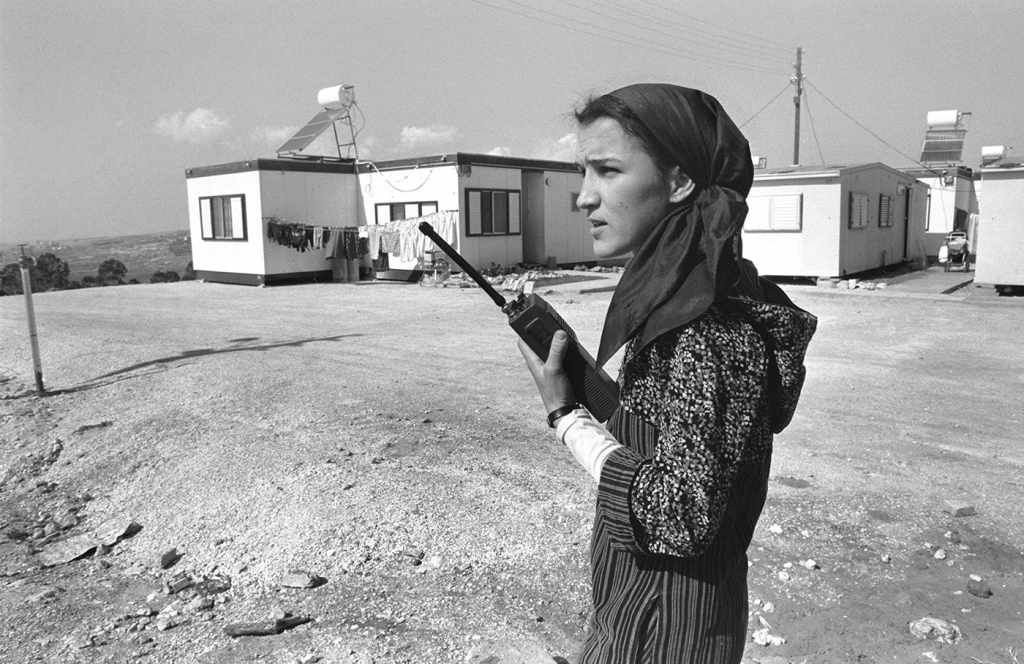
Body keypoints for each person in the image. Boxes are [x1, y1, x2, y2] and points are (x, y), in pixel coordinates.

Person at [518, 84, 817, 663]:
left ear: (680, 182)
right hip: (648, 616)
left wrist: (565, 417)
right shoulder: (686, 303)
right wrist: (584, 380)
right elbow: (668, 434)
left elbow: (680, 516)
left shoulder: (705, 330)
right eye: (583, 173)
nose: (583, 198)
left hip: (663, 635)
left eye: (606, 171)